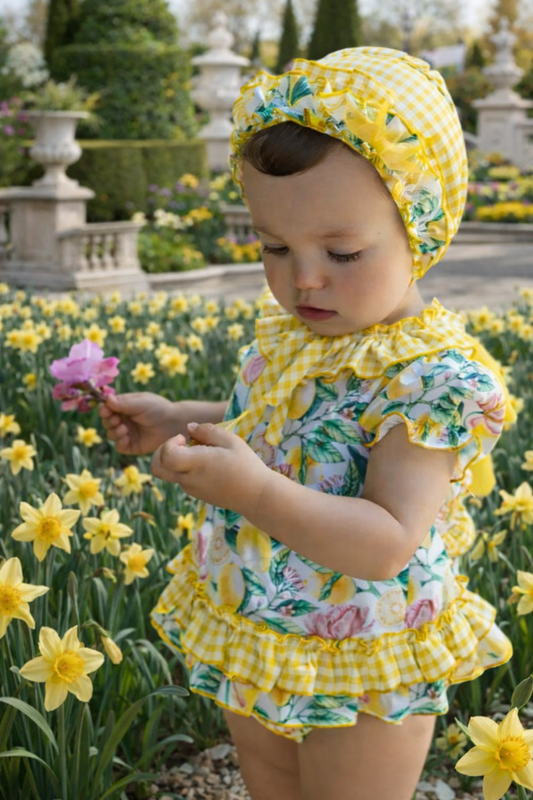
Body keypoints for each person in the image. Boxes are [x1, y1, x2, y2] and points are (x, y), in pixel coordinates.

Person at [99, 47, 517, 800]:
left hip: (361, 645)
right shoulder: (302, 332)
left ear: (421, 229)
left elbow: (389, 540)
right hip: (260, 620)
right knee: (271, 783)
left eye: (342, 251)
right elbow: (279, 427)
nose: (304, 277)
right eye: (273, 246)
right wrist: (179, 421)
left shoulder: (430, 380)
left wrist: (251, 493)